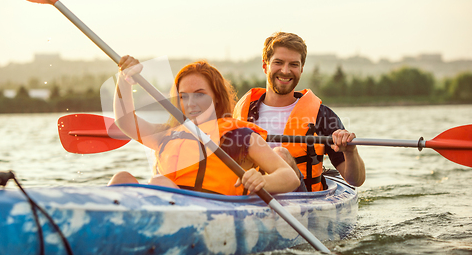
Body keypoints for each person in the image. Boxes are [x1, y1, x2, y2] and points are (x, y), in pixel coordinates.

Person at [108, 55, 300, 195]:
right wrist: (125, 80)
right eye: (184, 96)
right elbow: (125, 120)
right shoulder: (167, 134)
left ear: (216, 97)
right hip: (164, 206)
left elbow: (289, 177)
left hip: (214, 213)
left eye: (200, 94)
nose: (191, 103)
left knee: (159, 182)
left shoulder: (241, 137)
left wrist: (263, 180)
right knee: (122, 178)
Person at [233, 32, 365, 191]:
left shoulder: (321, 116)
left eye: (294, 64)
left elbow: (355, 180)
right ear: (265, 66)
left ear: (301, 69)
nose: (285, 71)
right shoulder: (243, 112)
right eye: (278, 62)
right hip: (248, 198)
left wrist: (351, 152)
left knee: (280, 154)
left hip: (300, 200)